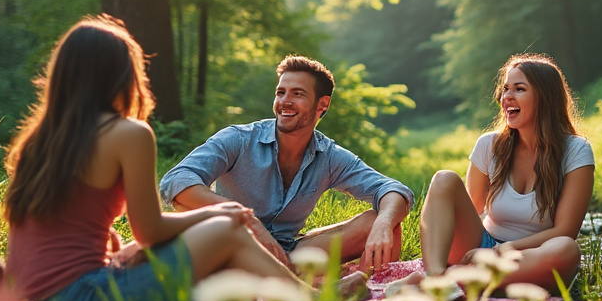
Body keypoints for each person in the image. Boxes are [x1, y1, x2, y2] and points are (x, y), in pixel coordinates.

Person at [4, 16, 304, 301]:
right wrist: (215, 210)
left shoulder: (38, 140)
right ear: (122, 75)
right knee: (226, 229)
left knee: (205, 245)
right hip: (82, 297)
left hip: (27, 299)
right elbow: (149, 230)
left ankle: (295, 298)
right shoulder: (126, 133)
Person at [160, 55, 413, 277]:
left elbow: (393, 189)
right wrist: (245, 219)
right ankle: (288, 283)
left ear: (322, 105)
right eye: (281, 93)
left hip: (287, 253)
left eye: (298, 94)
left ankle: (367, 288)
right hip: (230, 245)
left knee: (386, 221)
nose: (285, 101)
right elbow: (176, 180)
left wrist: (382, 223)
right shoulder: (238, 139)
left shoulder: (330, 156)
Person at [398, 54, 594, 294]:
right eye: (505, 89)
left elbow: (565, 231)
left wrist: (504, 250)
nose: (507, 97)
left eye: (519, 89)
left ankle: (458, 281)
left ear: (545, 98)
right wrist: (487, 250)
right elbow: (470, 209)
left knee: (566, 248)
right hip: (483, 246)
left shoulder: (576, 150)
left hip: (531, 255)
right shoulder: (488, 145)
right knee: (444, 178)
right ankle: (437, 278)